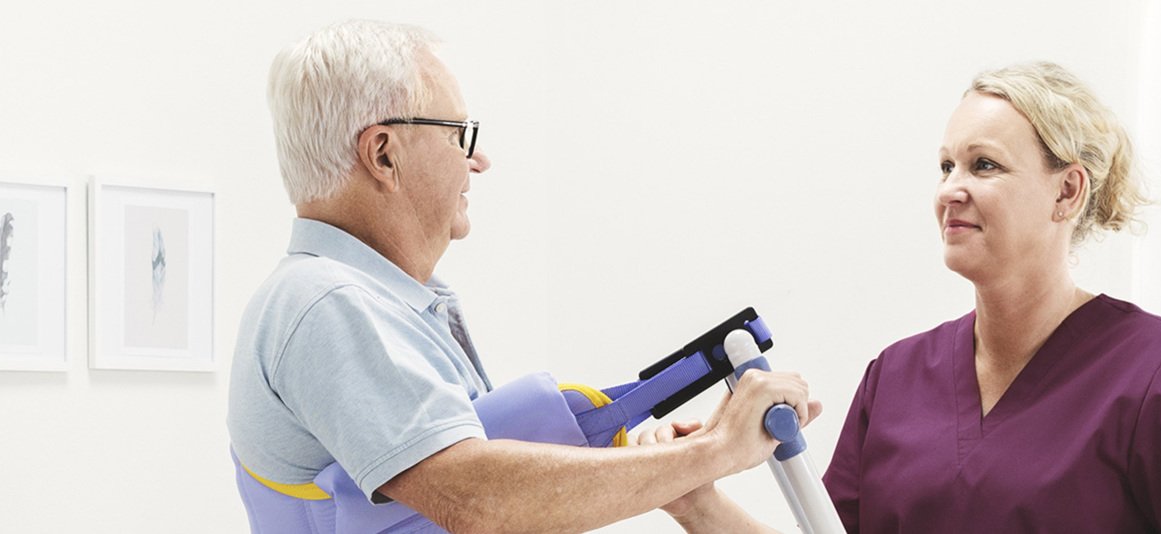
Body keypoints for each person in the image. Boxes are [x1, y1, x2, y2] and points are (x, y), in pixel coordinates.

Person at [226, 20, 821, 533]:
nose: (477, 160)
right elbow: (474, 498)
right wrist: (717, 451)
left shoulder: (390, 306)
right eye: (459, 134)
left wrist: (682, 477)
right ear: (383, 154)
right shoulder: (329, 302)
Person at [640, 61, 1161, 533]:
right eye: (945, 166)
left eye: (984, 165)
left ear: (1067, 190)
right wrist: (696, 501)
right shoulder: (898, 377)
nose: (950, 190)